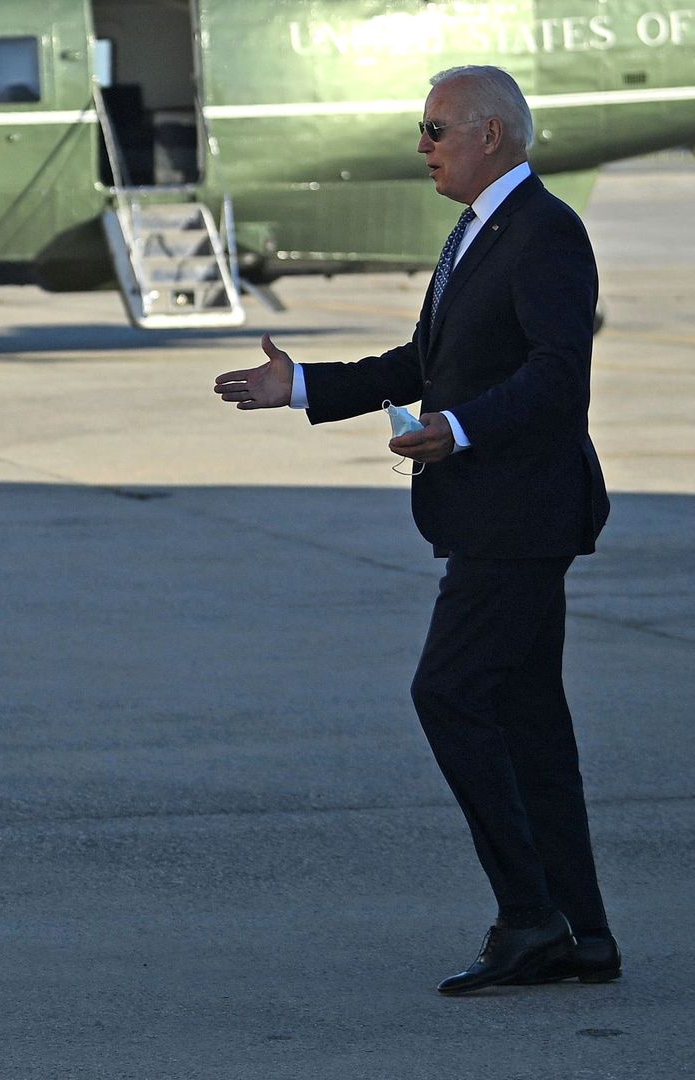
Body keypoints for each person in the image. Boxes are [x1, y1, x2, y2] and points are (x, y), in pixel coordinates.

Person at [213, 65, 616, 994]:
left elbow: (560, 375)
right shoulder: (479, 232)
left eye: (435, 129)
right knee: (528, 722)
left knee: (449, 693)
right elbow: (426, 359)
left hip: (518, 516)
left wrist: (461, 427)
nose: (422, 146)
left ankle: (529, 917)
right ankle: (582, 932)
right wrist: (305, 385)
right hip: (496, 512)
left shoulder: (545, 233)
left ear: (491, 135)